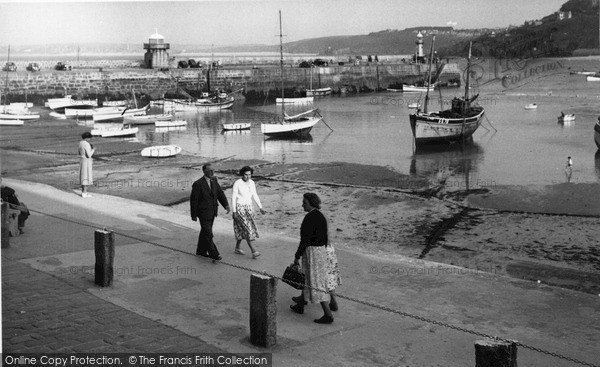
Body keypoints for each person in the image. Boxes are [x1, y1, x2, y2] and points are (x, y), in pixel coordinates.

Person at [289, 193, 341, 324]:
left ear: (311, 203)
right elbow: (324, 237)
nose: (302, 205)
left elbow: (304, 239)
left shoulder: (309, 218)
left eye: (304, 203)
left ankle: (328, 314)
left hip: (312, 252)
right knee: (310, 279)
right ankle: (300, 305)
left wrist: (297, 256)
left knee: (315, 282)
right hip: (321, 251)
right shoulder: (321, 215)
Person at [190, 163, 230, 261]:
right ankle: (214, 254)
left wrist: (226, 205)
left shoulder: (214, 180)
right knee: (209, 234)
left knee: (204, 232)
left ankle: (200, 251)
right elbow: (194, 200)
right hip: (203, 213)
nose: (212, 172)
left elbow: (220, 193)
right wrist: (193, 215)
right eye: (209, 171)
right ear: (204, 171)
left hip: (213, 211)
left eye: (213, 170)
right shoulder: (198, 184)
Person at [231, 166, 266, 259]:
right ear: (242, 174)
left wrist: (260, 207)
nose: (248, 177)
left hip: (250, 208)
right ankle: (253, 251)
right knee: (247, 228)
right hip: (240, 208)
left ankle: (237, 248)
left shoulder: (252, 183)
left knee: (242, 228)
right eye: (246, 175)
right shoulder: (237, 183)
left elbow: (255, 195)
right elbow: (234, 197)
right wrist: (234, 211)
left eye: (249, 175)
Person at [78, 132, 95, 198]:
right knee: (87, 176)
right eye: (89, 138)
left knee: (83, 176)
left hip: (82, 160)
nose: (90, 139)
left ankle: (83, 192)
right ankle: (84, 193)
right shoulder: (87, 144)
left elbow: (79, 152)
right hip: (87, 161)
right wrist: (93, 150)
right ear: (87, 138)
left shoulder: (80, 143)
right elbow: (89, 155)